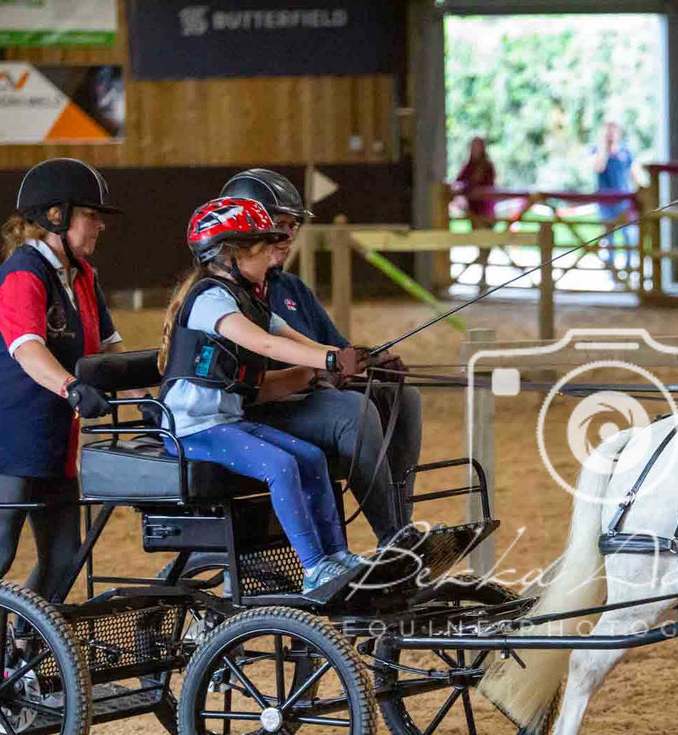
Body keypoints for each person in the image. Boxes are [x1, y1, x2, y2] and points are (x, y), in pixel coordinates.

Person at [0, 159, 124, 727]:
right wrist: (72, 386)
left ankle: (22, 658)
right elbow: (27, 349)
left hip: (55, 437)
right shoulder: (24, 274)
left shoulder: (83, 277)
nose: (100, 227)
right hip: (9, 431)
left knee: (65, 555)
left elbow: (111, 355)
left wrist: (170, 384)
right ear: (55, 216)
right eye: (91, 215)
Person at [157, 197, 368, 600]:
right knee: (281, 466)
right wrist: (326, 358)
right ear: (233, 252)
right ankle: (313, 568)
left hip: (225, 421)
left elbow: (295, 338)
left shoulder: (249, 298)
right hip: (191, 428)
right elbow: (265, 345)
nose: (276, 250)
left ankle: (337, 555)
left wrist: (343, 358)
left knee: (312, 458)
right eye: (264, 243)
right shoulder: (209, 300)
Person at [219, 168, 422, 544]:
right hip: (259, 408)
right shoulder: (226, 298)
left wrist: (369, 362)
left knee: (401, 397)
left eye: (293, 226)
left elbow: (332, 348)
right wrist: (325, 370)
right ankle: (393, 536)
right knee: (351, 411)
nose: (289, 236)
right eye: (279, 225)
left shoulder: (290, 287)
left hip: (308, 397)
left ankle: (401, 525)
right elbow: (261, 366)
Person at [591, 121, 639, 272]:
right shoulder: (596, 151)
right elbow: (598, 167)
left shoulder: (625, 152)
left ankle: (630, 268)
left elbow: (633, 174)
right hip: (605, 203)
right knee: (609, 238)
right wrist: (605, 149)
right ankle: (611, 270)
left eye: (613, 132)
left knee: (629, 236)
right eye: (607, 132)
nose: (611, 135)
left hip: (624, 202)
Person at [451, 137, 497, 290]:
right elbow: (459, 181)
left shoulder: (488, 166)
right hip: (474, 212)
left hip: (487, 211)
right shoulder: (469, 166)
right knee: (479, 242)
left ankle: (483, 275)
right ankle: (479, 275)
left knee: (486, 244)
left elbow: (489, 185)